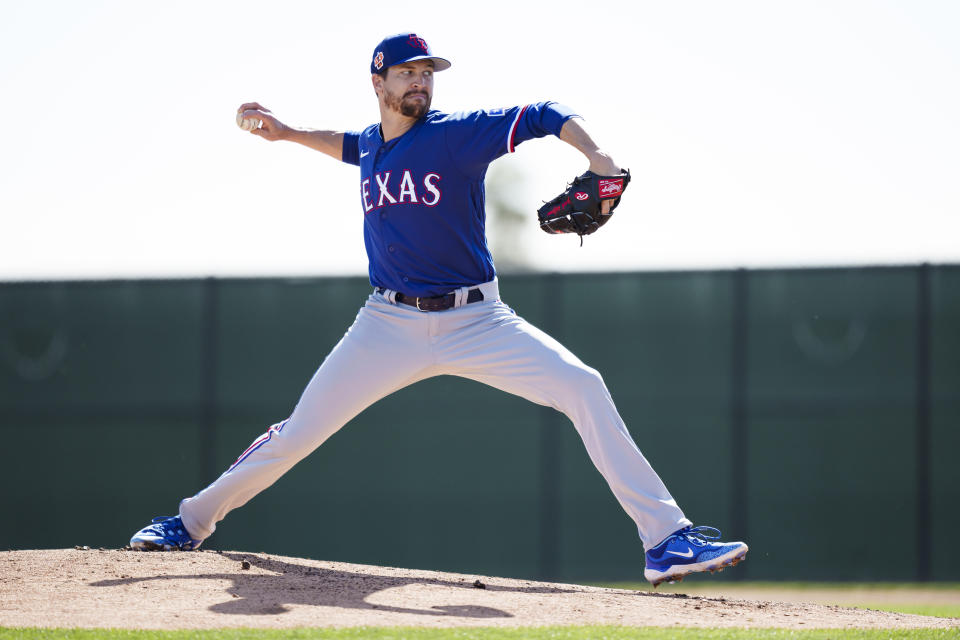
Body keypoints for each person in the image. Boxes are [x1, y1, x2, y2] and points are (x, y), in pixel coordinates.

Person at [129, 32, 748, 586]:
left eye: (428, 72)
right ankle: (190, 520)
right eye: (408, 72)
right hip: (385, 324)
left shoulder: (454, 135)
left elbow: (544, 113)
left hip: (477, 319)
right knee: (299, 432)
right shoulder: (373, 144)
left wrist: (600, 162)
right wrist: (288, 133)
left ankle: (665, 540)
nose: (421, 80)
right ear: (379, 82)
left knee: (583, 387)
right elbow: (348, 144)